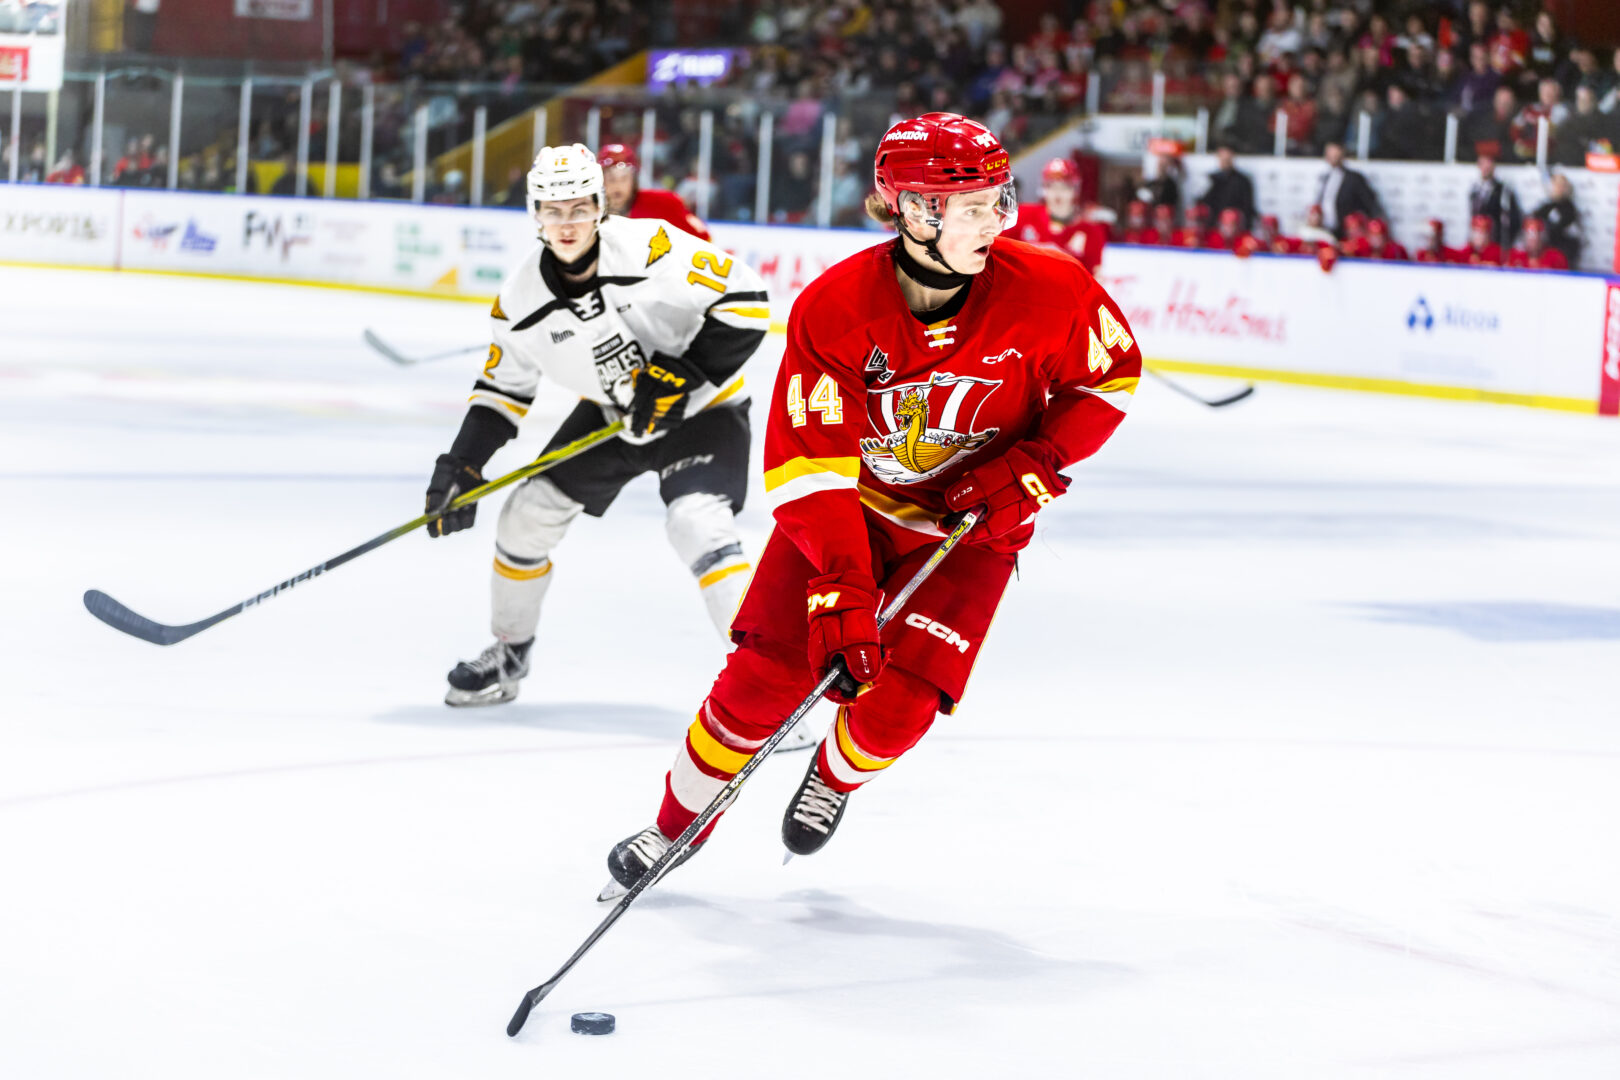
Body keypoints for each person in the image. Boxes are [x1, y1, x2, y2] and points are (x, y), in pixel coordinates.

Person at [603, 112, 1143, 891]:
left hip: (971, 529)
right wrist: (843, 587)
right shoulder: (836, 308)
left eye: (1000, 199)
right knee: (764, 682)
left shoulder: (1053, 288)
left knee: (897, 713)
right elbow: (810, 469)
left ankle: (833, 774)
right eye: (973, 206)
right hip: (847, 515)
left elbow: (1110, 378)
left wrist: (1032, 464)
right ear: (913, 212)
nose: (998, 218)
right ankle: (673, 829)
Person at [424, 144, 809, 756]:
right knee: (525, 518)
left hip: (703, 410)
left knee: (697, 525)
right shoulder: (521, 299)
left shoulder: (654, 246)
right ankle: (509, 654)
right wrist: (462, 464)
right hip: (611, 414)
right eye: (554, 211)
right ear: (535, 215)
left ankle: (772, 689)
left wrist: (682, 374)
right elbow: (502, 389)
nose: (568, 223)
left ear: (602, 206)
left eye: (581, 207)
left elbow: (747, 302)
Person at [597, 142, 712, 241]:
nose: (618, 185)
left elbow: (703, 237)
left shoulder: (663, 204)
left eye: (624, 178)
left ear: (634, 180)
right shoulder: (588, 209)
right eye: (611, 179)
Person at [1012, 157, 1109, 273]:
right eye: (1051, 186)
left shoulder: (1091, 232)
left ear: (1075, 190)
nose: (1057, 194)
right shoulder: (1023, 215)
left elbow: (1094, 278)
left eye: (1064, 188)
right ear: (1044, 189)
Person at [1313, 141, 1384, 236]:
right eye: (1329, 153)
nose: (1332, 156)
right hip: (1327, 230)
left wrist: (1374, 226)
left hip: (1348, 232)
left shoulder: (1354, 178)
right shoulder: (1326, 177)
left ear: (1342, 154)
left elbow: (1370, 203)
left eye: (1335, 153)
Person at [1467, 153, 1522, 249]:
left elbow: (1514, 219)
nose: (1485, 167)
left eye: (1489, 163)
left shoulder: (1503, 190)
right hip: (1477, 244)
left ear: (1494, 166)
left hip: (1496, 244)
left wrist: (1505, 243)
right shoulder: (1475, 190)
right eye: (1482, 163)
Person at [1197, 144, 1256, 231]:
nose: (1224, 161)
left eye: (1227, 159)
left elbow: (1247, 207)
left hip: (1234, 227)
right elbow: (1204, 202)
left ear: (1232, 157)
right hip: (1214, 226)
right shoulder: (1213, 179)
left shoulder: (1242, 181)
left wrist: (1245, 228)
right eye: (1222, 158)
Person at [1531, 172, 1582, 267]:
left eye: (1562, 185)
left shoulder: (1570, 209)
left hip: (1561, 254)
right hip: (1543, 253)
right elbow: (1533, 222)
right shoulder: (1545, 207)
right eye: (1556, 184)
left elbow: (1572, 237)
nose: (1559, 188)